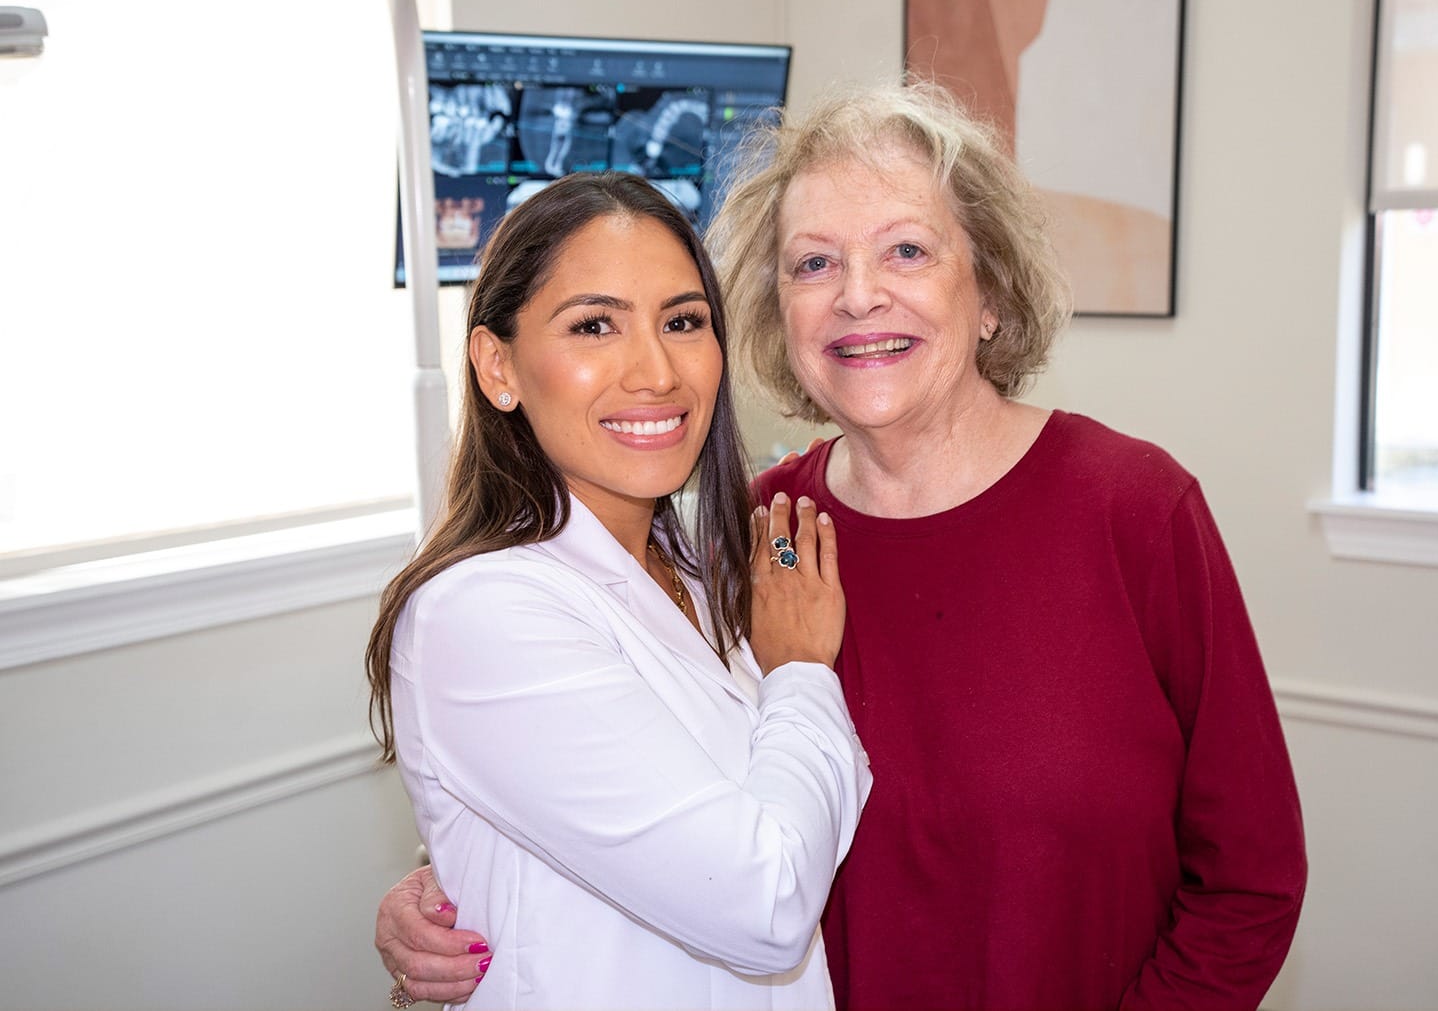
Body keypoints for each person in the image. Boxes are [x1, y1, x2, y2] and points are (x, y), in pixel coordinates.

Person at [376, 82, 1307, 1010]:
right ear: (777, 311)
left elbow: (1250, 879)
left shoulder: (1134, 511)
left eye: (907, 249)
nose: (859, 295)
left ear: (989, 289)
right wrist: (456, 871)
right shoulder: (760, 539)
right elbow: (631, 789)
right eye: (815, 263)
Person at [366, 170, 872, 1010]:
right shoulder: (481, 612)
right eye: (594, 325)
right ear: (497, 365)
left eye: (682, 321)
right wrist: (801, 671)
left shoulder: (703, 563)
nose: (655, 371)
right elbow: (766, 902)